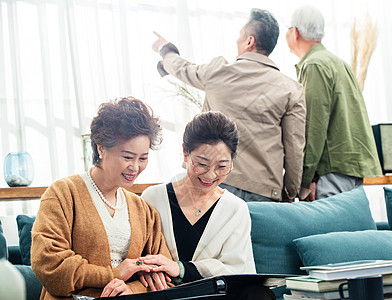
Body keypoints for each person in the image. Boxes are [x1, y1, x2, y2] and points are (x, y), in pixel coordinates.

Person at [152, 8, 306, 202]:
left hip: (215, 183)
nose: (236, 41)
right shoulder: (291, 89)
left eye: (239, 36)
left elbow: (183, 68)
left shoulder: (218, 72)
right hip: (265, 192)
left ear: (250, 41)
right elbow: (295, 148)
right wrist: (291, 193)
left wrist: (165, 49)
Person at [31, 97, 173, 299]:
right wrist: (114, 274)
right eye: (127, 157)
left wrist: (132, 290)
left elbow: (163, 274)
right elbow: (49, 265)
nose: (135, 167)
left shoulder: (144, 210)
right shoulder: (62, 194)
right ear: (101, 148)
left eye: (143, 158)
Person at [141, 111, 275, 299]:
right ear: (185, 153)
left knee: (258, 294)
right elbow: (138, 254)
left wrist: (181, 268)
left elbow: (237, 270)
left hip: (215, 295)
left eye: (222, 166)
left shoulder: (236, 209)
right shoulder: (152, 198)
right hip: (164, 293)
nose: (211, 175)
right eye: (202, 164)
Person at [285, 5, 382, 201]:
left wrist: (304, 181)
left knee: (334, 230)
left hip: (331, 172)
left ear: (295, 32)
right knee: (352, 230)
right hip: (350, 169)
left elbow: (313, 127)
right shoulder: (339, 63)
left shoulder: (314, 65)